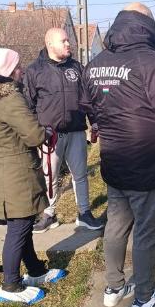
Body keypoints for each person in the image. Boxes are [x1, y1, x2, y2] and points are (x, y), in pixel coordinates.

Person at [84, 3, 155, 307]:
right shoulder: (151, 63)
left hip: (115, 161)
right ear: (146, 25)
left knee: (117, 226)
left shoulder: (96, 63)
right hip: (149, 164)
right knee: (148, 231)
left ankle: (114, 287)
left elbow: (88, 104)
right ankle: (145, 300)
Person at [0, 47, 67, 304]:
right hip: (17, 172)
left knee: (21, 225)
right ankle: (10, 285)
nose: (21, 70)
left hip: (1, 170)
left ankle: (34, 271)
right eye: (17, 67)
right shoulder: (9, 98)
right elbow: (33, 135)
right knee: (19, 228)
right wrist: (46, 131)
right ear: (8, 72)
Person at [23, 28, 103, 233]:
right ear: (50, 44)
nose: (69, 44)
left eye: (68, 40)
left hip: (76, 131)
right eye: (64, 41)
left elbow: (88, 99)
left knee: (80, 175)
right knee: (49, 176)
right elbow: (28, 105)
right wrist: (36, 132)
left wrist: (94, 122)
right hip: (50, 135)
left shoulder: (76, 67)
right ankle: (49, 214)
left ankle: (84, 213)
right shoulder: (34, 71)